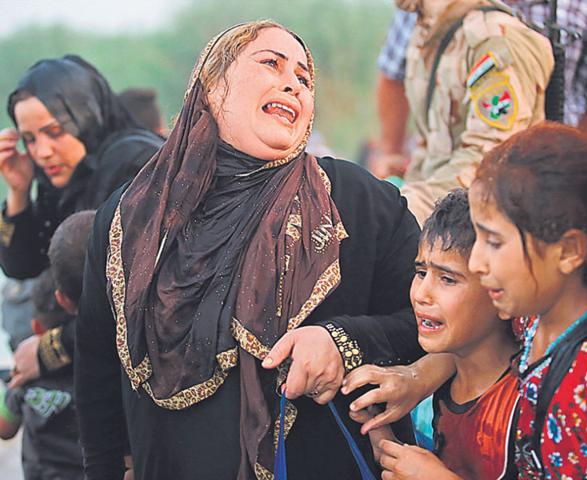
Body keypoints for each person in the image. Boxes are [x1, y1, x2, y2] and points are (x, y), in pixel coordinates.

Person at [73, 20, 457, 480]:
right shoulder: (130, 219)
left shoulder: (359, 204)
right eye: (271, 64)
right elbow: (96, 368)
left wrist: (342, 341)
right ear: (212, 87)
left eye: (304, 78)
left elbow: (444, 324)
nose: (292, 82)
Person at [468, 123, 587, 478]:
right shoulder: (534, 314)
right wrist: (419, 377)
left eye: (494, 242)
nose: (475, 263)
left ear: (568, 251)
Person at [0, 55, 164, 386]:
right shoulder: (65, 176)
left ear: (86, 116)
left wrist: (50, 350)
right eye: (30, 139)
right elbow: (21, 266)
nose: (42, 151)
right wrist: (18, 190)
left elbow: (144, 304)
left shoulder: (135, 165)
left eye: (55, 131)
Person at [352, 189, 520, 479]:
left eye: (447, 279)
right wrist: (393, 455)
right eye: (420, 273)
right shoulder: (449, 383)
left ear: (499, 290)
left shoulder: (526, 401)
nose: (421, 294)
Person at [372, 0, 587, 181]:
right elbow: (393, 75)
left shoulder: (579, 8)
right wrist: (391, 153)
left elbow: (584, 105)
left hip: (536, 170)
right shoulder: (435, 8)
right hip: (449, 167)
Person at [385, 0, 554, 226]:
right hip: (440, 222)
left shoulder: (496, 40)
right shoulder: (433, 32)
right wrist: (395, 199)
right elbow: (432, 149)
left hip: (483, 229)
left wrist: (398, 212)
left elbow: (490, 163)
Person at [0, 269, 81, 480]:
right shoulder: (96, 372)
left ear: (36, 327)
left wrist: (7, 389)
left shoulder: (24, 377)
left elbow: (5, 429)